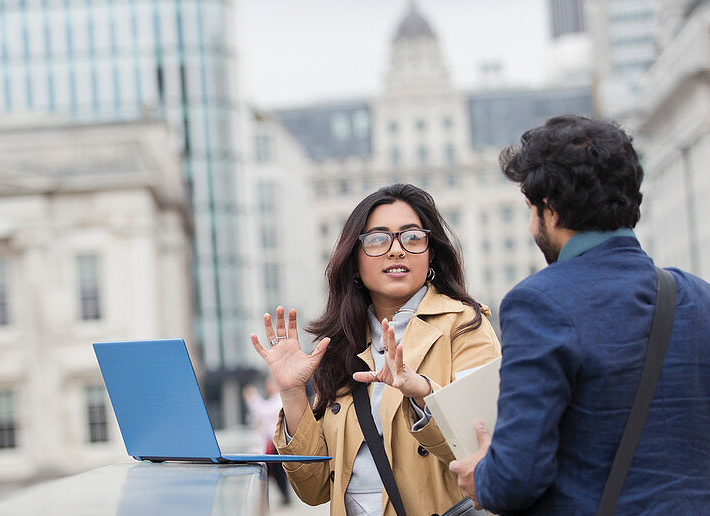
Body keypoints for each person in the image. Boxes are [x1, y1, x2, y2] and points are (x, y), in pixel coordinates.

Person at [448, 115, 710, 514]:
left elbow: (514, 480)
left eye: (530, 208)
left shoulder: (539, 303)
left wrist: (481, 477)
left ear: (549, 210)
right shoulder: (699, 296)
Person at [250, 183, 501, 516]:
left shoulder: (464, 325)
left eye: (412, 237)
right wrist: (292, 391)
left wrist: (422, 393)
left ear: (431, 253)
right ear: (355, 262)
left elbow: (487, 454)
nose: (396, 250)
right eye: (378, 239)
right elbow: (314, 489)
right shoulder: (339, 344)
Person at [244, 378, 291, 505]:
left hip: (277, 443)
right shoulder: (273, 400)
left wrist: (252, 398)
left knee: (278, 472)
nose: (267, 387)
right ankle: (281, 497)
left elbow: (264, 411)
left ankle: (283, 498)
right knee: (275, 472)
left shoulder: (278, 399)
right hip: (271, 443)